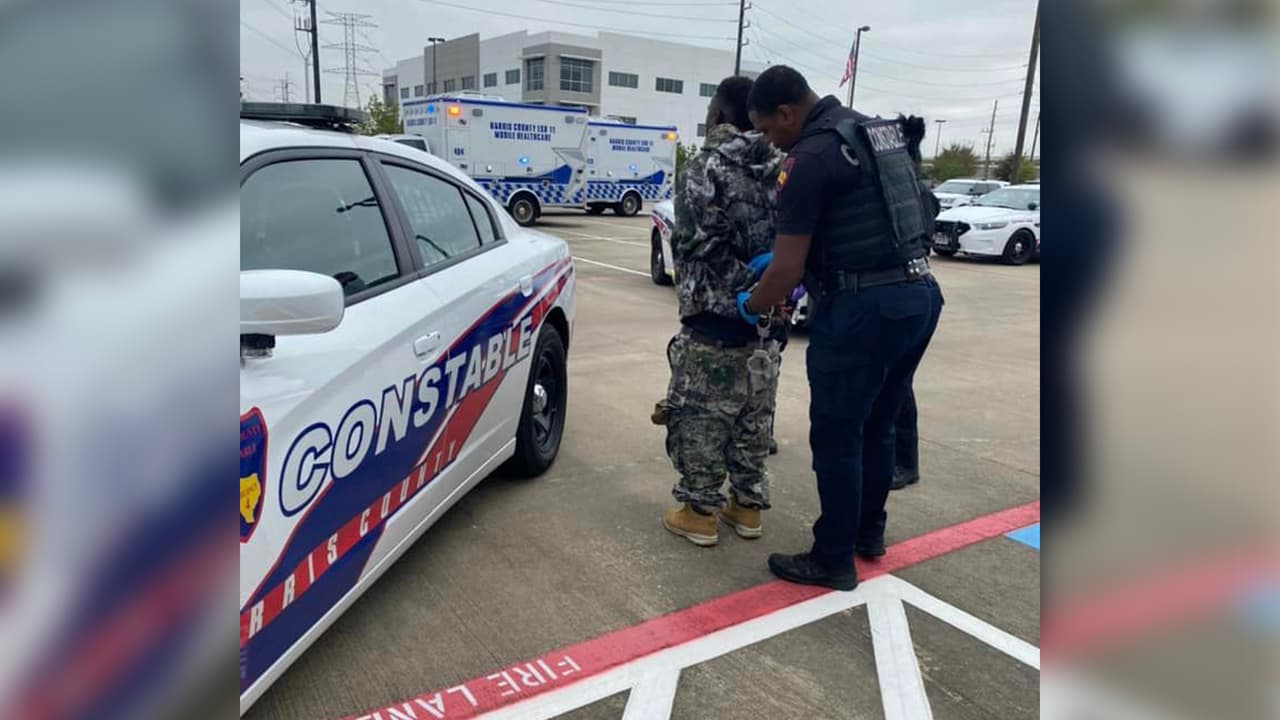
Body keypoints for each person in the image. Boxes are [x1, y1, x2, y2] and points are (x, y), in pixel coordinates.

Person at [739, 66, 944, 590]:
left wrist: (754, 304)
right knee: (878, 422)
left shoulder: (810, 156)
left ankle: (832, 557)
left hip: (863, 310)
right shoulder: (872, 132)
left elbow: (784, 270)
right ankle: (867, 533)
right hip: (918, 296)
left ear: (787, 113)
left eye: (766, 129)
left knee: (837, 434)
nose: (769, 141)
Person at [659, 75, 785, 547]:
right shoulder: (781, 165)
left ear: (717, 116)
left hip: (714, 319)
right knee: (753, 418)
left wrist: (741, 291)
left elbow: (696, 243)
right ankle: (747, 507)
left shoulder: (704, 169)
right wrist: (764, 293)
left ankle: (700, 511)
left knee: (699, 418)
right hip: (766, 325)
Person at [890, 114, 938, 491]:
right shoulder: (907, 184)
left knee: (898, 382)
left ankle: (906, 462)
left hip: (910, 290)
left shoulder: (912, 189)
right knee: (894, 381)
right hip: (912, 291)